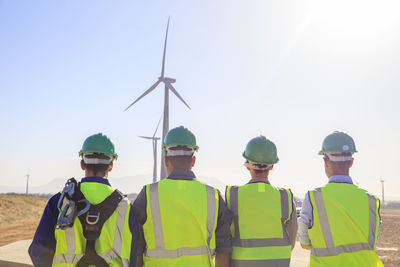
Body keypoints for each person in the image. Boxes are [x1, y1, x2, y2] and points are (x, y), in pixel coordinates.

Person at [29, 133, 136, 267]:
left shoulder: (59, 201)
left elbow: (38, 252)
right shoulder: (126, 207)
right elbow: (136, 255)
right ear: (111, 166)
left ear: (82, 164)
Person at [133, 126, 232, 267]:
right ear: (193, 161)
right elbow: (224, 248)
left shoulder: (149, 194)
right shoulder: (213, 196)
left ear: (165, 160)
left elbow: (136, 246)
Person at [298, 131, 384, 266]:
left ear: (325, 161)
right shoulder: (372, 201)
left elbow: (304, 242)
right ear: (351, 162)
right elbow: (373, 239)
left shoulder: (313, 197)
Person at [225, 136, 297, 267]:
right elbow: (292, 239)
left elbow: (225, 239)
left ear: (247, 165)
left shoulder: (233, 195)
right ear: (272, 166)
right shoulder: (285, 196)